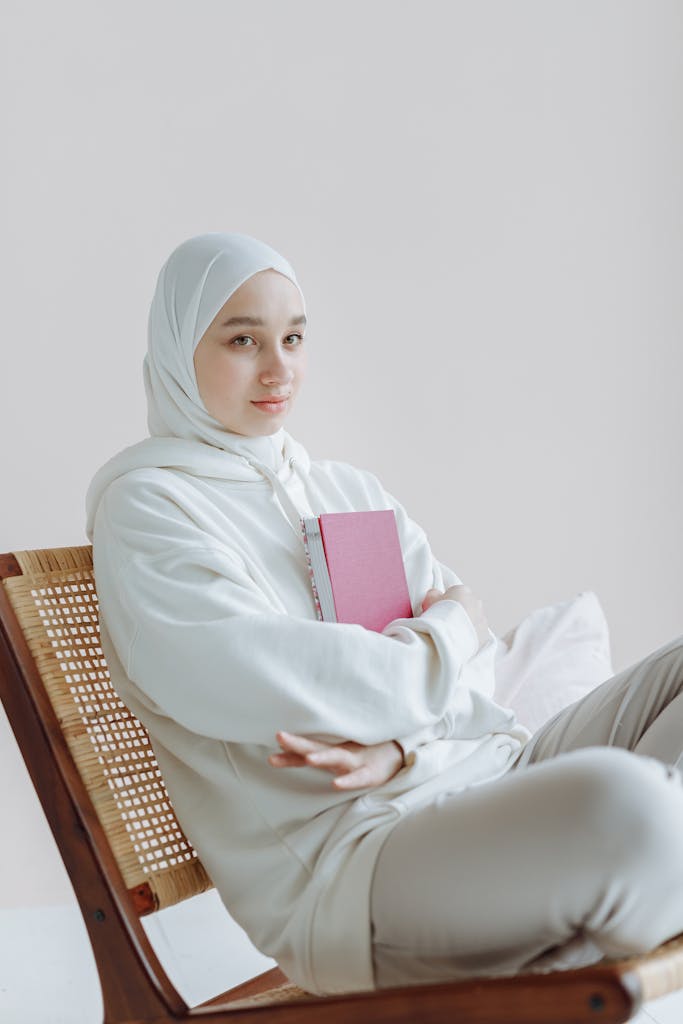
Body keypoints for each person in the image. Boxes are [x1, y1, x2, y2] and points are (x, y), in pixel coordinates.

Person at [85, 232, 683, 997]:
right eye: (243, 340)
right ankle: (627, 890)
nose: (279, 369)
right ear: (177, 348)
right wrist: (452, 624)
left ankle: (618, 894)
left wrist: (398, 744)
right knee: (627, 805)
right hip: (360, 861)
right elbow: (285, 686)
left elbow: (474, 682)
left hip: (484, 777)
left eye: (293, 338)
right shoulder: (150, 511)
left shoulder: (344, 487)